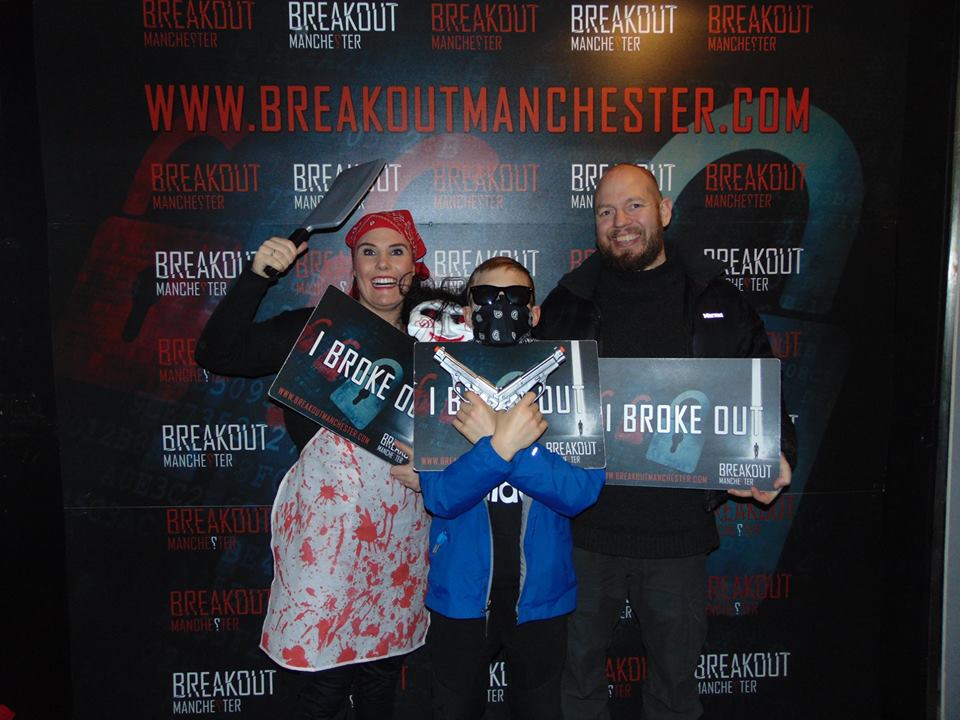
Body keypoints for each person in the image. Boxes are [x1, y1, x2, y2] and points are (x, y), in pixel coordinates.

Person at [532, 164, 798, 720]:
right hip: (583, 534)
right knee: (575, 688)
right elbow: (530, 397)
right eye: (606, 211)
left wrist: (776, 452)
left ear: (665, 211)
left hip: (677, 536)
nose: (620, 222)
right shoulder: (566, 302)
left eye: (634, 206)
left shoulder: (717, 298)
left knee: (675, 694)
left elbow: (759, 381)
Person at [195, 210, 448, 720]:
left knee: (380, 681)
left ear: (414, 267)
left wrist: (435, 471)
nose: (382, 264)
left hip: (398, 544)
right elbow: (218, 353)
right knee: (322, 687)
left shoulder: (436, 350)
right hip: (324, 546)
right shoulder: (313, 333)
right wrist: (257, 277)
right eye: (369, 252)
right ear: (353, 266)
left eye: (396, 252)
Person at [390, 257, 606, 720]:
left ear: (535, 312)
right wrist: (501, 446)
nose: (501, 308)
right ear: (468, 313)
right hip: (462, 595)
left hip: (541, 598)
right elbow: (441, 496)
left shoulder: (568, 379)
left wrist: (504, 446)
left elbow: (580, 492)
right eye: (486, 297)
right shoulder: (441, 379)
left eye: (516, 298)